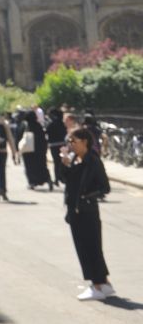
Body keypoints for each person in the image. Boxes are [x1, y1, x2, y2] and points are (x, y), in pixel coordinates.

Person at [61, 128, 114, 301]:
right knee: (91, 248)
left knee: (88, 248)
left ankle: (96, 286)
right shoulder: (76, 159)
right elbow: (65, 180)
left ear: (84, 142)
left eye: (73, 141)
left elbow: (104, 187)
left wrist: (86, 197)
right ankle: (104, 283)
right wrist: (65, 164)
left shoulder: (92, 161)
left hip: (86, 211)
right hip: (75, 210)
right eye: (69, 142)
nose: (71, 145)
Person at [21, 111, 52, 191]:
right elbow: (43, 138)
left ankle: (32, 182)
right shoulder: (39, 126)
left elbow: (19, 136)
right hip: (40, 149)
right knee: (42, 165)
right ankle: (47, 179)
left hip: (28, 150)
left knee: (30, 166)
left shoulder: (25, 126)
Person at [45, 108, 68, 185]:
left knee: (56, 162)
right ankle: (63, 177)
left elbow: (46, 132)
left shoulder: (51, 124)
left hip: (54, 145)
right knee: (63, 161)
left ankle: (57, 178)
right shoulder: (63, 124)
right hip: (63, 144)